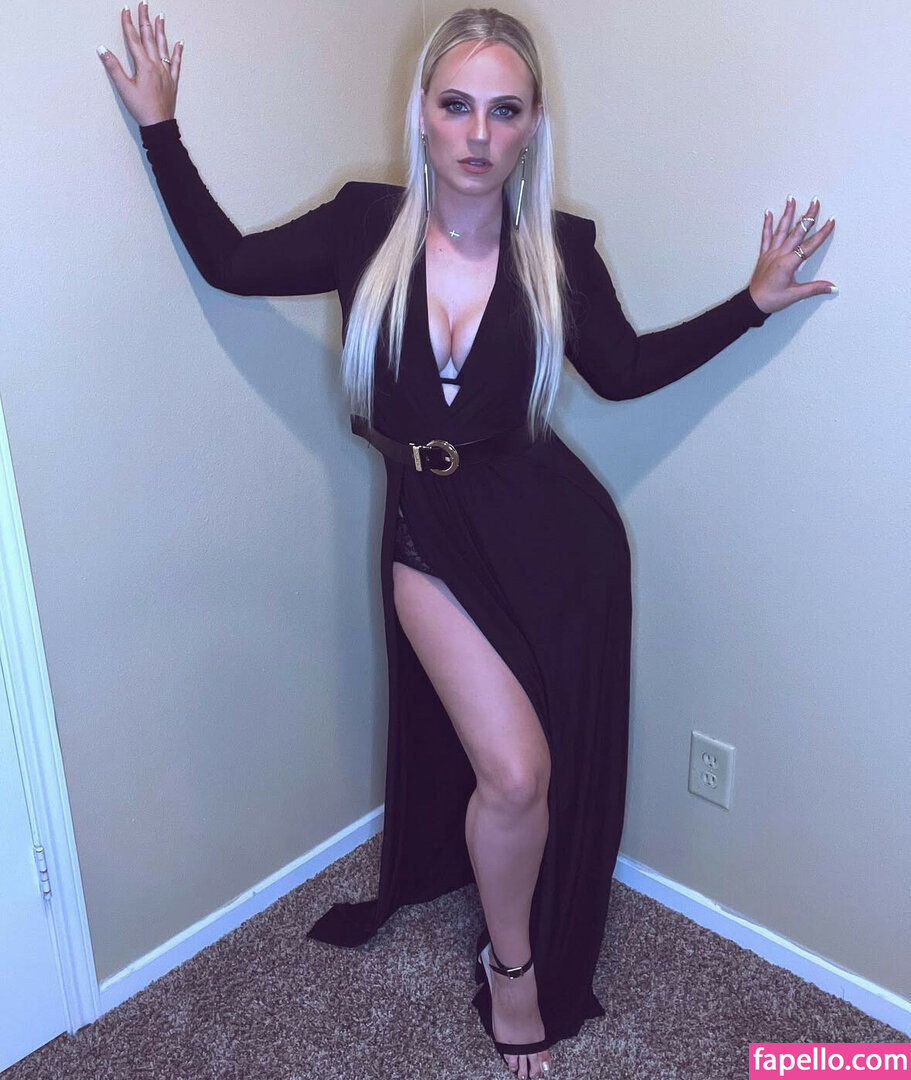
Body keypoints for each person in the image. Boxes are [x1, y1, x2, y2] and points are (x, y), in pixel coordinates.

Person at [97, 6, 836, 1077]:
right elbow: (227, 264)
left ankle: (512, 950)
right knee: (517, 773)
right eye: (456, 106)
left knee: (542, 768)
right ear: (422, 115)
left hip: (557, 539)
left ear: (532, 126)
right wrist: (160, 129)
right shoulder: (363, 225)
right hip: (428, 533)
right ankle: (513, 967)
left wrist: (751, 306)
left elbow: (624, 372)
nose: (478, 134)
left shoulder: (559, 249)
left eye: (504, 110)